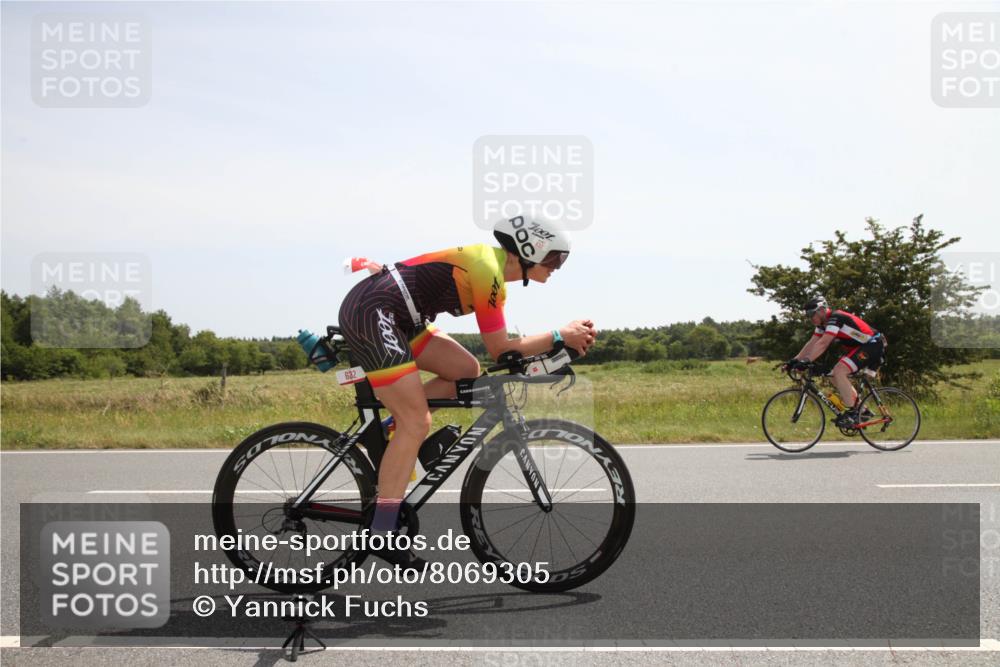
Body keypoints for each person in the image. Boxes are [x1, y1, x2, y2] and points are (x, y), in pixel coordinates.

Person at [337, 215, 596, 567]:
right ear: (529, 250)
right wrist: (558, 336)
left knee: (465, 371)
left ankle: (387, 432)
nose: (556, 268)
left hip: (401, 317)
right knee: (417, 421)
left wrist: (556, 348)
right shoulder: (485, 268)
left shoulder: (493, 278)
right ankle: (382, 529)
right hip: (375, 311)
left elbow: (502, 351)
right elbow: (500, 347)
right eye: (553, 259)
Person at [786, 296, 887, 426]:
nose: (810, 318)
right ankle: (863, 411)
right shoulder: (823, 324)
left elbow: (823, 343)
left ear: (822, 310)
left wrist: (806, 361)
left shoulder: (835, 318)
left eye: (811, 314)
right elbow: (812, 343)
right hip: (861, 346)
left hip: (873, 344)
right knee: (833, 374)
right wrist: (794, 361)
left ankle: (852, 414)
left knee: (840, 370)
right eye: (807, 315)